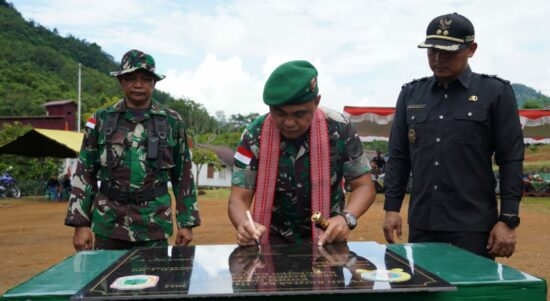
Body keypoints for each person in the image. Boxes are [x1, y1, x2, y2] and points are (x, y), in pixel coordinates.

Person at [382, 13, 524, 259]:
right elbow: (398, 156)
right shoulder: (411, 95)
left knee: (470, 296)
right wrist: (391, 209)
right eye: (431, 51)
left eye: (448, 52)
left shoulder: (495, 93)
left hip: (473, 227)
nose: (438, 59)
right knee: (425, 293)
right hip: (423, 223)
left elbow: (511, 159)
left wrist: (508, 219)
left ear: (471, 49)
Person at [228, 60, 376, 246]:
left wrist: (346, 218)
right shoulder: (253, 135)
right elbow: (238, 198)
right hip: (269, 243)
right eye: (280, 113)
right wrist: (245, 225)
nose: (289, 122)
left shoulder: (340, 128)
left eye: (299, 114)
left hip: (328, 241)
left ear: (316, 102)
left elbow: (364, 186)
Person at [65, 49, 200, 251]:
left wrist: (186, 222)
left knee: (155, 281)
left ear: (154, 83)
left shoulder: (172, 121)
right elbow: (85, 172)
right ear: (121, 82)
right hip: (109, 223)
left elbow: (183, 175)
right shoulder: (101, 120)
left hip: (154, 223)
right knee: (107, 281)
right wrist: (81, 224)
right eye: (131, 78)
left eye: (145, 79)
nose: (138, 84)